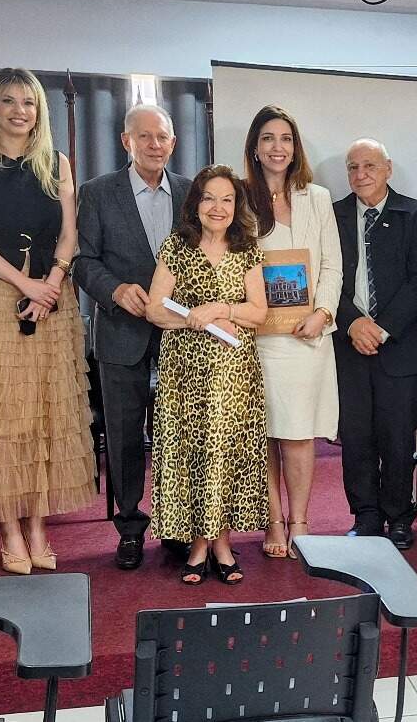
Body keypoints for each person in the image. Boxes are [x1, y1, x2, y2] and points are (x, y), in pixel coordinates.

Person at [0, 67, 96, 574]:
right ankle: (9, 527)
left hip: (53, 300)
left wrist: (51, 282)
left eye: (29, 102)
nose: (19, 111)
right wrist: (24, 283)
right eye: (8, 101)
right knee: (3, 416)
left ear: (39, 111)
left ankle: (37, 526)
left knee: (45, 415)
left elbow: (69, 235)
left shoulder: (57, 162)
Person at [73, 104, 193, 570]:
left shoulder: (192, 193)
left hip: (181, 335)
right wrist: (115, 290)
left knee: (177, 433)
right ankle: (129, 526)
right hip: (121, 332)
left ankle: (176, 525)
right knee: (124, 435)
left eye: (162, 136)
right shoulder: (97, 193)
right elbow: (83, 261)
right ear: (127, 141)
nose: (154, 144)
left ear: (173, 142)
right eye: (144, 136)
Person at [144, 164, 269, 585]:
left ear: (237, 205)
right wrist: (193, 319)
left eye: (227, 199)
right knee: (193, 456)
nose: (218, 207)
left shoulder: (247, 248)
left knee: (226, 455)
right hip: (185, 373)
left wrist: (220, 309)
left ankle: (217, 544)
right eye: (210, 198)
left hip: (235, 373)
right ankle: (204, 545)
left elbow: (259, 312)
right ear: (196, 203)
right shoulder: (177, 246)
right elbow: (155, 309)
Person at [242, 104, 341, 559]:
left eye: (285, 138)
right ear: (255, 148)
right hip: (258, 339)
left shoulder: (317, 197)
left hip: (307, 337)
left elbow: (331, 264)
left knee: (299, 433)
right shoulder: (240, 199)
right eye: (267, 138)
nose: (277, 147)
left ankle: (300, 519)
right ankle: (273, 520)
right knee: (265, 432)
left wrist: (323, 312)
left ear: (295, 147)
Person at [333, 139, 417, 548]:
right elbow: (324, 277)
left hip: (401, 347)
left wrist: (382, 328)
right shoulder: (333, 214)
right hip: (349, 344)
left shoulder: (415, 213)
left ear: (388, 168)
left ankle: (399, 516)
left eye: (369, 165)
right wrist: (353, 323)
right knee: (356, 437)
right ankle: (366, 516)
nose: (361, 175)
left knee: (397, 437)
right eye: (353, 167)